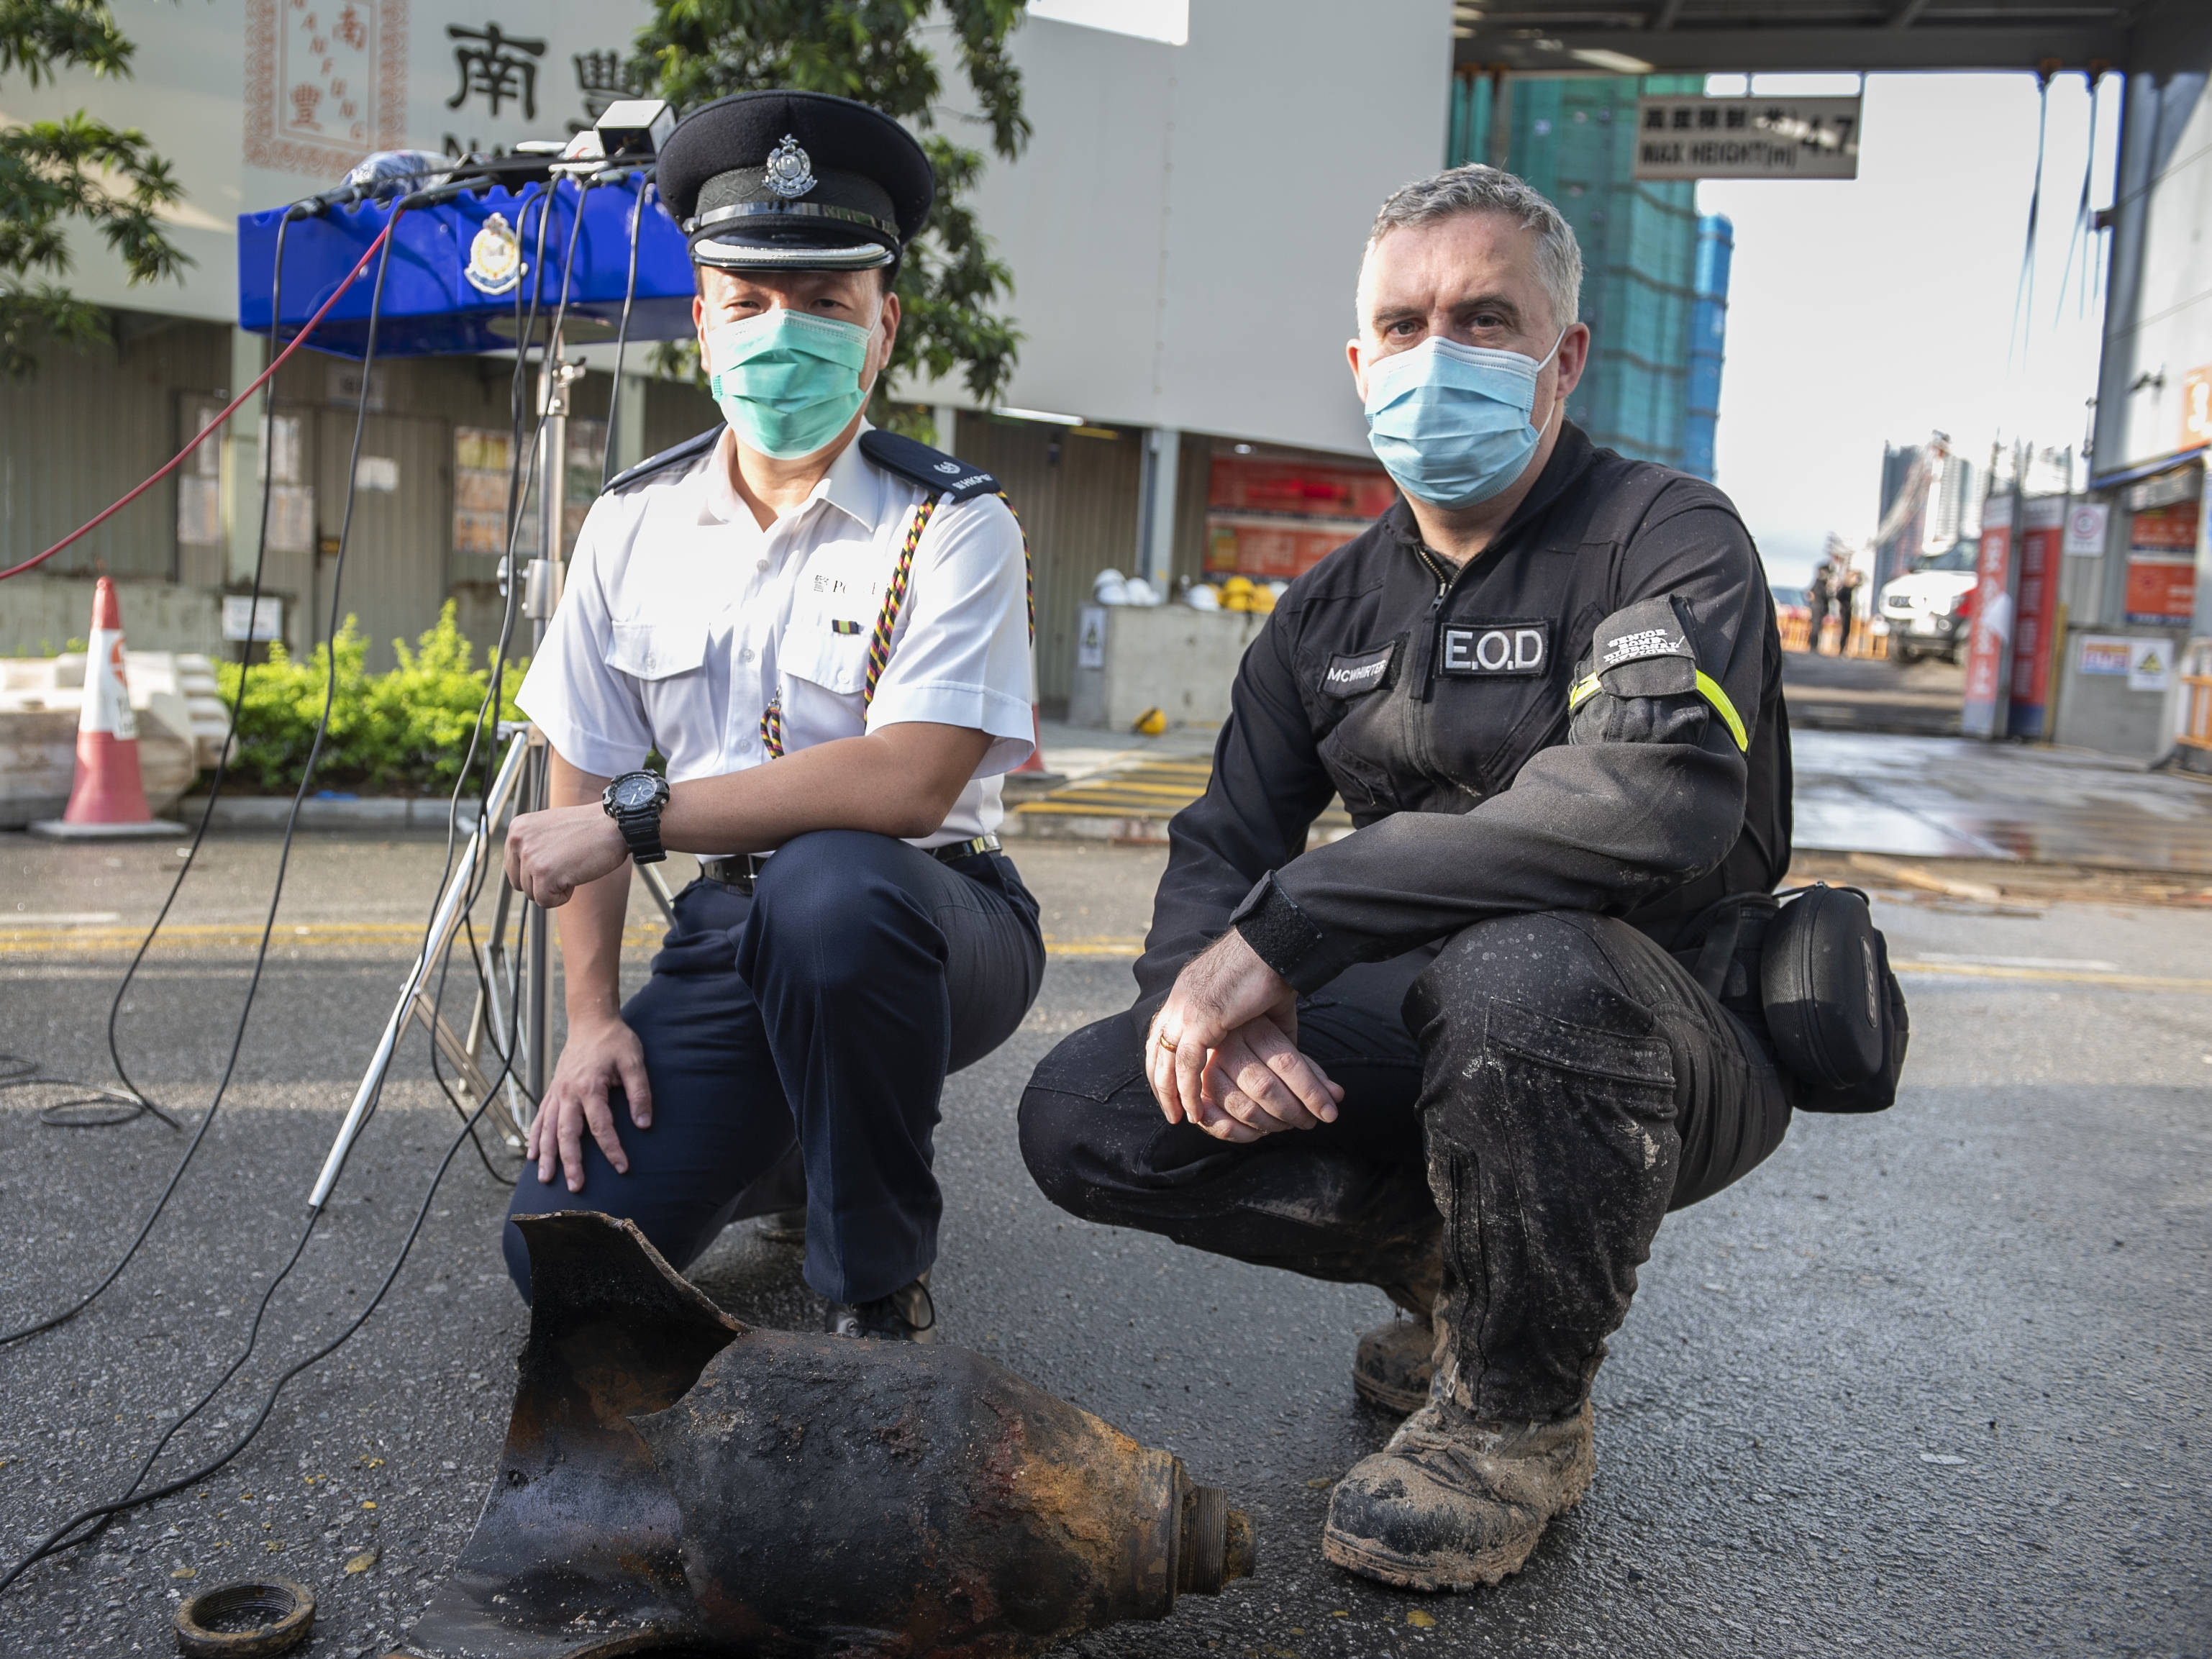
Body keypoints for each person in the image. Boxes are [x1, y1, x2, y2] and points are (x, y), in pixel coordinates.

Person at [1018, 165, 1798, 1591]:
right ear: (1359, 359)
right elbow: (1221, 841)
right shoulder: (1324, 610)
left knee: (1523, 966)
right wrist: (1195, 1005)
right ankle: (1473, 1289)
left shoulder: (1666, 541)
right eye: (1404, 320)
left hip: (1663, 1035)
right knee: (1092, 1111)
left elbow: (1655, 796)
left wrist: (1300, 921)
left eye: (1484, 317)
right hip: (1449, 1037)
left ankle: (1511, 1419)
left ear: (1560, 358)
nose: (1438, 354)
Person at [501, 90, 1044, 1342]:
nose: (779, 331)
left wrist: (641, 818)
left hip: (930, 915)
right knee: (564, 1262)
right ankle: (794, 1121)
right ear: (702, 321)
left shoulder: (954, 526)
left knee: (831, 895)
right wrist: (590, 1024)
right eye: (747, 300)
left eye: (823, 303)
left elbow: (907, 782)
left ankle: (874, 1290)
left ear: (883, 327)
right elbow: (575, 767)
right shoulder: (631, 524)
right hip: (732, 931)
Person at [1804, 555, 1834, 654]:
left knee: (1818, 627)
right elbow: (1812, 593)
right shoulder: (1819, 582)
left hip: (1820, 607)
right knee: (1815, 627)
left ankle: (1814, 646)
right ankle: (1813, 646)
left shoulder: (1824, 583)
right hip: (1817, 607)